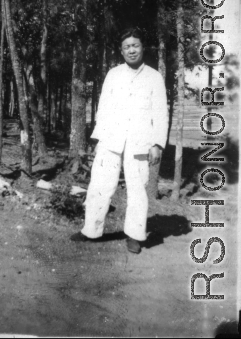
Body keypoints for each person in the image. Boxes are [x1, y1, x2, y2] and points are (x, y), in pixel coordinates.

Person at [70, 28, 168, 254]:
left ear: (142, 47)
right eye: (127, 47)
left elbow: (161, 113)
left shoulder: (154, 77)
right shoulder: (113, 74)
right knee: (100, 185)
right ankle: (91, 231)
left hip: (140, 142)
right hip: (110, 139)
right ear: (121, 51)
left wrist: (157, 144)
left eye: (135, 45)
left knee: (138, 188)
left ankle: (134, 235)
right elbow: (103, 108)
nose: (131, 50)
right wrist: (98, 139)